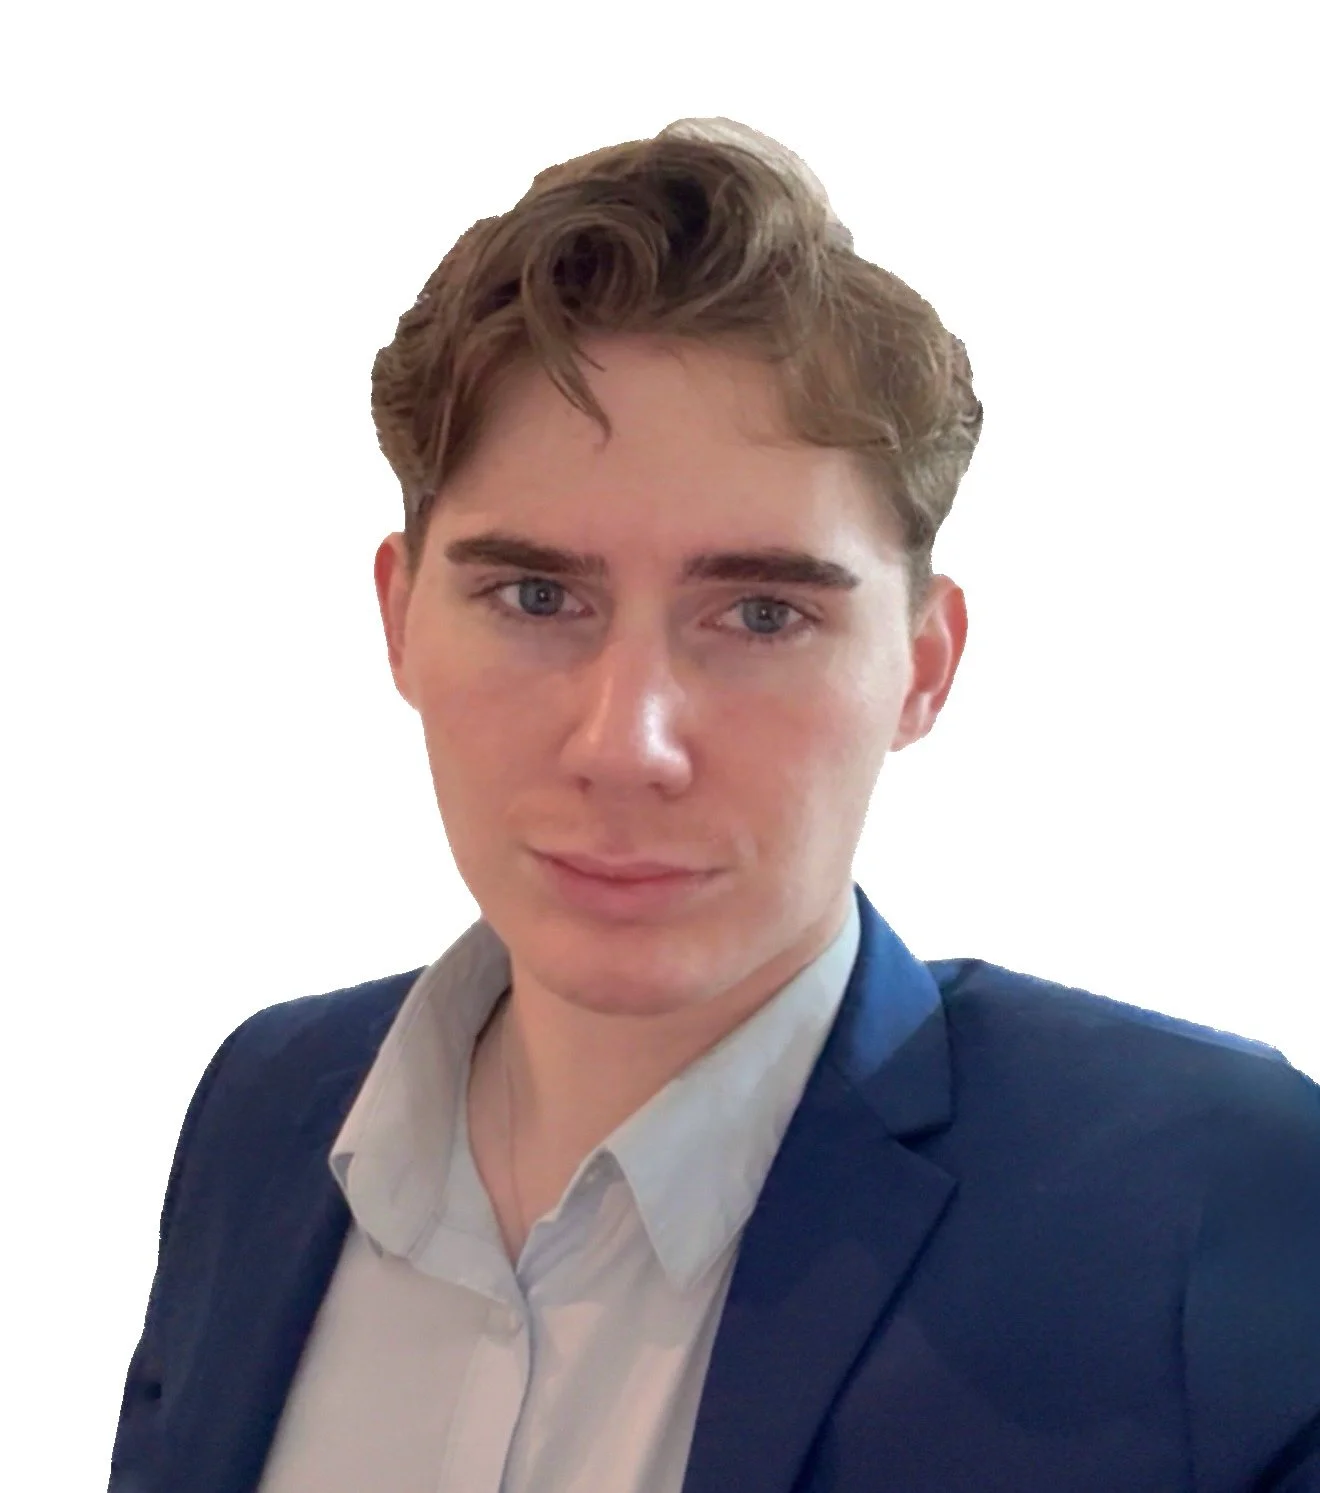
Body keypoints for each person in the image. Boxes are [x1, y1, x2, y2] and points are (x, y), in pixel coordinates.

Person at [108, 117, 1320, 1493]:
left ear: (924, 668)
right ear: (398, 619)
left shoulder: (1217, 1200)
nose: (626, 745)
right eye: (536, 597)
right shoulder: (265, 1111)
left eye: (760, 614)